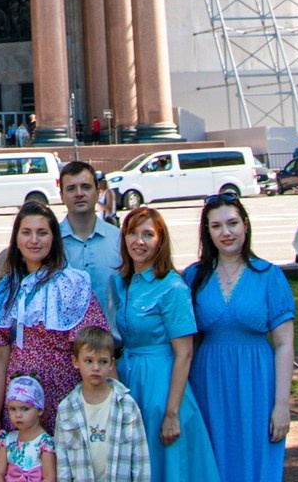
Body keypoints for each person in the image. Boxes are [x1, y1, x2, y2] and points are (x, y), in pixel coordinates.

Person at [183, 196, 294, 482]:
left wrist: (282, 405)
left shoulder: (270, 276)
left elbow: (283, 345)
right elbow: (186, 343)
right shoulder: (194, 277)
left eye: (232, 223)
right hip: (208, 381)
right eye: (216, 226)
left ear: (245, 225)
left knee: (257, 460)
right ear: (207, 231)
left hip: (257, 382)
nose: (226, 232)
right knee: (213, 461)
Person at [110, 206, 217, 481]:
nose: (139, 241)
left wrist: (171, 413)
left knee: (164, 462)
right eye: (132, 233)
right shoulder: (121, 282)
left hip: (161, 384)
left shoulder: (172, 287)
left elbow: (185, 354)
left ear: (160, 240)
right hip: (129, 378)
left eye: (148, 234)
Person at [0, 201, 109, 446]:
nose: (34, 240)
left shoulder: (72, 284)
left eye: (42, 232)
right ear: (17, 238)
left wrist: (108, 404)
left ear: (54, 238)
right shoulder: (6, 290)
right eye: (26, 232)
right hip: (21, 403)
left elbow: (96, 350)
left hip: (66, 398)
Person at [53, 326, 150, 482]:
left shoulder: (127, 405)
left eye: (102, 361)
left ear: (111, 364)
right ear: (76, 361)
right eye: (89, 361)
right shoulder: (66, 409)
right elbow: (62, 465)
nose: (96, 367)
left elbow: (140, 460)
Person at [56, 162, 122, 339]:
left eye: (85, 187)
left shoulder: (119, 240)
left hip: (113, 356)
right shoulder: (50, 243)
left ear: (98, 192)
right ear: (61, 195)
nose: (79, 194)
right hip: (64, 357)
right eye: (71, 189)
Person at [0, 375, 56, 482]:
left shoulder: (45, 443)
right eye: (12, 409)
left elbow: (49, 477)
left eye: (25, 409)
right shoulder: (8, 440)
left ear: (40, 409)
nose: (18, 415)